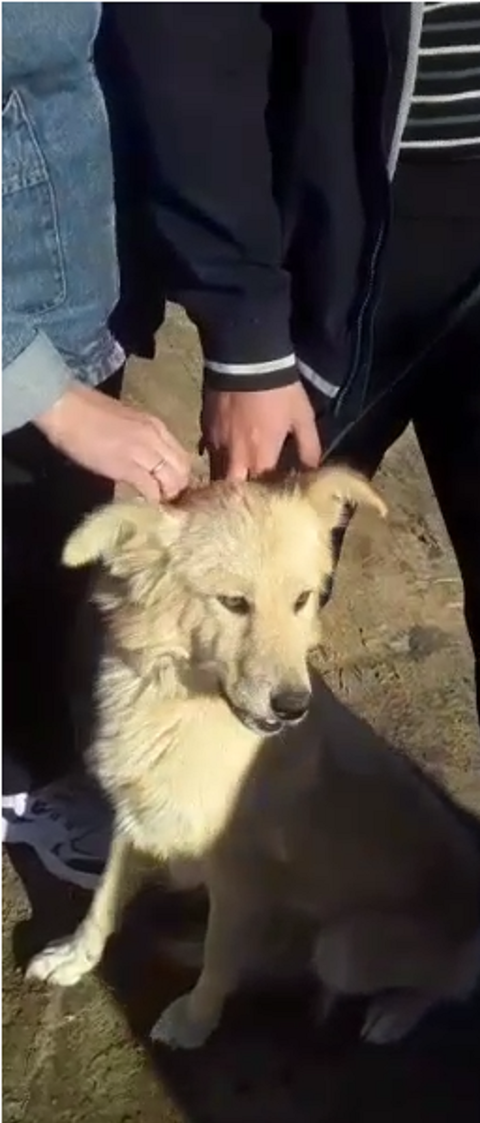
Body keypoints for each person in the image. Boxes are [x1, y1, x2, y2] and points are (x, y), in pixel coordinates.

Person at [99, 3, 480, 1101]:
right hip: (325, 233)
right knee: (239, 601)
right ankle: (223, 859)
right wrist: (242, 328)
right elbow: (182, 25)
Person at [2, 2, 191, 801]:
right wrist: (47, 396)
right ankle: (22, 777)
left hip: (70, 294)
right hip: (25, 346)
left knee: (42, 571)